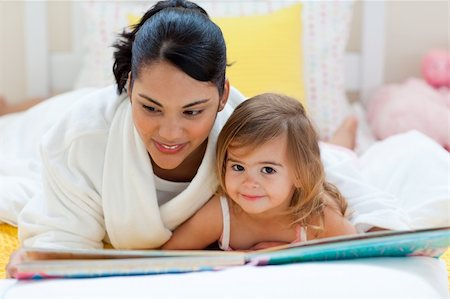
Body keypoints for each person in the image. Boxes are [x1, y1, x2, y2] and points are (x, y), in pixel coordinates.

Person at [6, 0, 447, 277]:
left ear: (221, 95)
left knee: (337, 155)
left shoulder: (246, 126)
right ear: (127, 90)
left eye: (193, 111)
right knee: (19, 135)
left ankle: (343, 133)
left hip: (316, 149)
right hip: (69, 115)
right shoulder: (83, 136)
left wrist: (386, 238)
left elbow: (341, 190)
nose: (171, 133)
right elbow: (54, 250)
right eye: (150, 107)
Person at [162, 93, 357, 250]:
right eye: (238, 167)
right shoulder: (222, 213)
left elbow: (356, 250)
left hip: (327, 160)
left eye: (267, 169)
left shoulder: (317, 216)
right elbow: (172, 254)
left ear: (299, 175)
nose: (249, 183)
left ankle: (348, 128)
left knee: (338, 154)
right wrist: (248, 256)